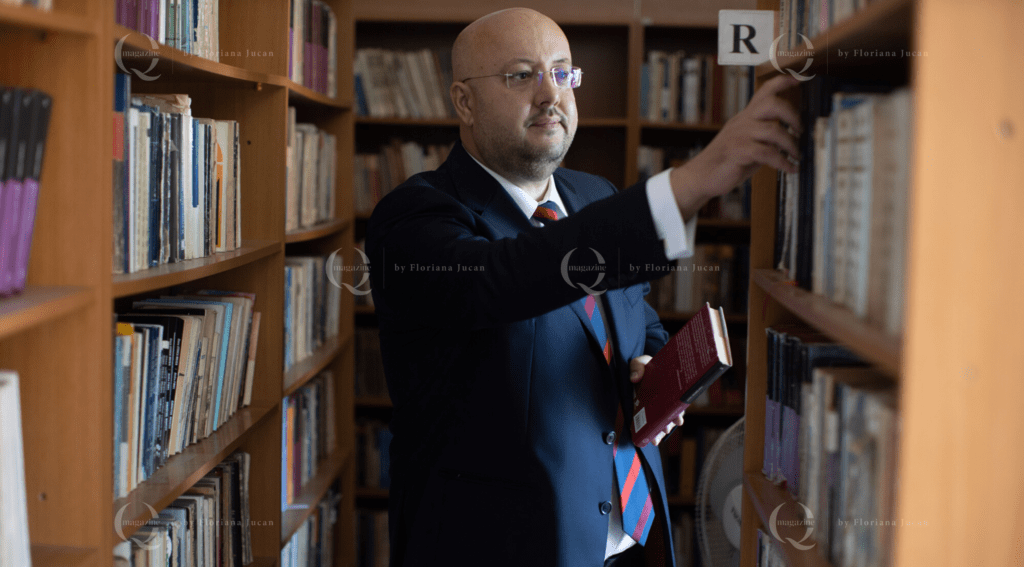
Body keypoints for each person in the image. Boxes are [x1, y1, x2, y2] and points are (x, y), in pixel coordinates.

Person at [365, 8, 800, 567]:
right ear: (464, 102)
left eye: (562, 72)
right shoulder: (411, 218)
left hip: (631, 542)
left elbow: (637, 317)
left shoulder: (594, 194)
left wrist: (653, 369)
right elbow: (506, 276)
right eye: (521, 75)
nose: (551, 94)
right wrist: (692, 182)